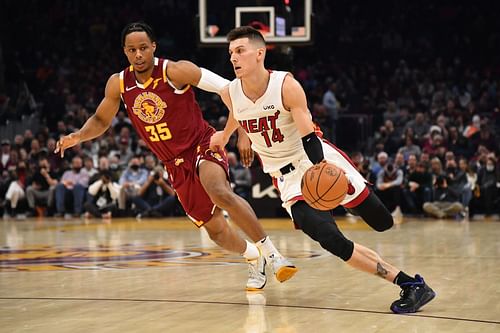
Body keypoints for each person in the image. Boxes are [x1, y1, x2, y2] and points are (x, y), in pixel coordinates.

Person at [55, 22, 296, 290]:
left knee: (218, 190)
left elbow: (230, 89)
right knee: (215, 230)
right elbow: (101, 119)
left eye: (143, 48)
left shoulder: (176, 71)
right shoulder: (119, 84)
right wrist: (78, 136)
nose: (138, 55)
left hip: (201, 143)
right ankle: (253, 256)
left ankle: (273, 255)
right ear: (125, 51)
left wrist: (241, 132)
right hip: (173, 163)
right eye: (132, 50)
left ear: (153, 47)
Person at [210, 26, 435, 313]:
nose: (233, 58)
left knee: (382, 222)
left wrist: (321, 172)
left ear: (260, 53)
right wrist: (227, 134)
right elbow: (237, 113)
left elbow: (308, 136)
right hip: (287, 179)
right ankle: (410, 285)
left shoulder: (286, 86)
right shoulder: (229, 92)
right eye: (230, 53)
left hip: (317, 161)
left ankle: (350, 201)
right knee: (331, 240)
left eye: (239, 51)